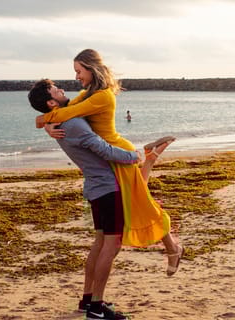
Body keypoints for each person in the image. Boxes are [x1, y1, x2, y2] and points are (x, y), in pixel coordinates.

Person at [29, 79, 140, 319]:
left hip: (94, 187)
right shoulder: (72, 123)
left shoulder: (58, 121)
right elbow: (103, 149)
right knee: (112, 246)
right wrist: (133, 156)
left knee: (100, 244)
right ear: (51, 101)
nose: (61, 89)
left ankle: (87, 300)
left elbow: (51, 119)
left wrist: (43, 123)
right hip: (107, 189)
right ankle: (97, 308)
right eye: (55, 90)